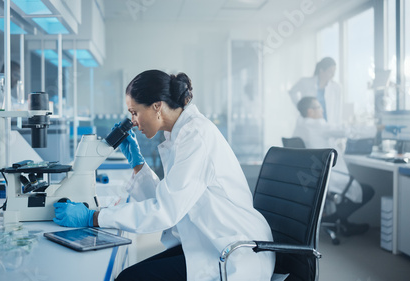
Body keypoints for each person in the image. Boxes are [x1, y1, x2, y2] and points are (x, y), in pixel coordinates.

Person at [53, 70, 275, 280]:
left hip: (235, 253)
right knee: (131, 275)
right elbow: (167, 199)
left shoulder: (195, 135)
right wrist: (138, 165)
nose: (134, 121)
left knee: (129, 278)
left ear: (157, 106)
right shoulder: (179, 135)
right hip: (208, 243)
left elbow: (165, 211)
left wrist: (94, 217)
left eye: (135, 112)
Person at [293, 96, 376, 236]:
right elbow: (348, 131)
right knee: (367, 190)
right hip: (327, 178)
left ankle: (342, 223)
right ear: (310, 111)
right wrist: (376, 129)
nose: (322, 109)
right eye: (319, 107)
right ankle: (335, 218)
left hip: (312, 178)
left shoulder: (301, 127)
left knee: (352, 190)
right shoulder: (317, 124)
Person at [289, 57, 342, 125]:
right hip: (309, 123)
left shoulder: (336, 87)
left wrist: (337, 126)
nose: (333, 75)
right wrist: (301, 107)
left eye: (334, 72)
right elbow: (292, 92)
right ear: (321, 70)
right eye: (330, 72)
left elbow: (338, 110)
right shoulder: (305, 82)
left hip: (328, 123)